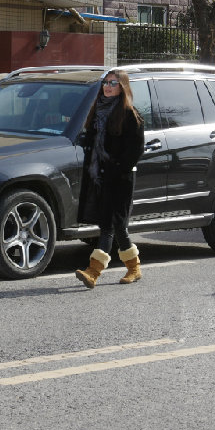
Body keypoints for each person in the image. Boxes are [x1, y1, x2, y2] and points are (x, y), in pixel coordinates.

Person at [75, 70, 145, 288]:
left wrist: (118, 168)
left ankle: (93, 271)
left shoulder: (130, 114)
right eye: (106, 82)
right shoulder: (97, 112)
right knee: (118, 226)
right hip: (100, 178)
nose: (108, 86)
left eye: (113, 83)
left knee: (108, 226)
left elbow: (135, 150)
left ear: (122, 87)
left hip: (120, 180)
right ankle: (134, 268)